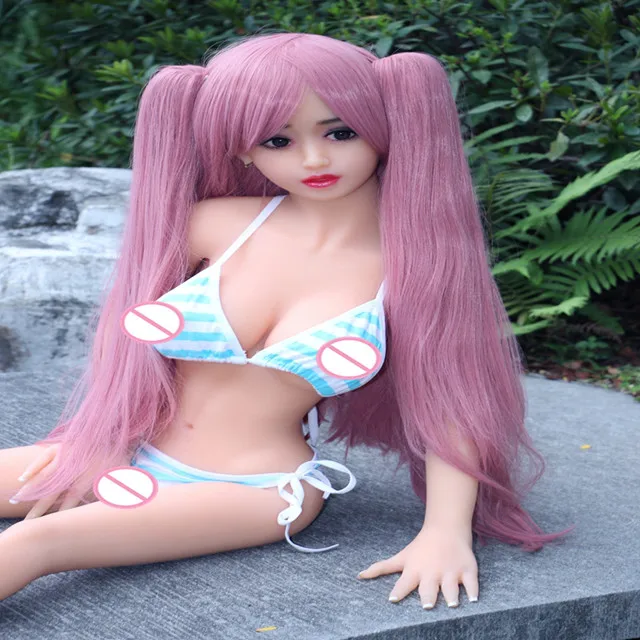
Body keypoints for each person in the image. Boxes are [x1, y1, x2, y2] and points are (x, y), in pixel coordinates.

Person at [0, 32, 573, 606]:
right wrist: (102, 440)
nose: (314, 159)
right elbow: (123, 344)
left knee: (35, 543)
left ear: (385, 129)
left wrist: (445, 532)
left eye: (340, 132)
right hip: (132, 450)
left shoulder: (412, 267)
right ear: (244, 151)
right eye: (278, 139)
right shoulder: (215, 224)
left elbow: (452, 404)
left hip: (258, 490)